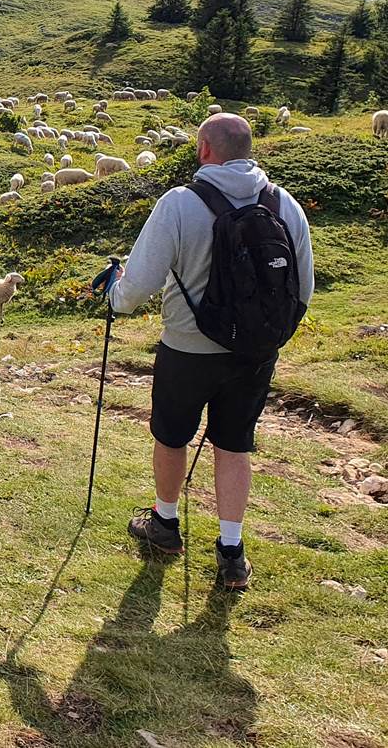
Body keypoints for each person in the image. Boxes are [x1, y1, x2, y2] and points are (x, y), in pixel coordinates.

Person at [111, 112, 313, 590]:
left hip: (187, 349)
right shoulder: (285, 204)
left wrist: (115, 296)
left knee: (171, 435)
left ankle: (165, 524)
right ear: (249, 149)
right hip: (255, 355)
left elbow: (137, 284)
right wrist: (266, 338)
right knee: (234, 443)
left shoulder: (179, 204)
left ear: (204, 149)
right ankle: (231, 550)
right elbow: (302, 287)